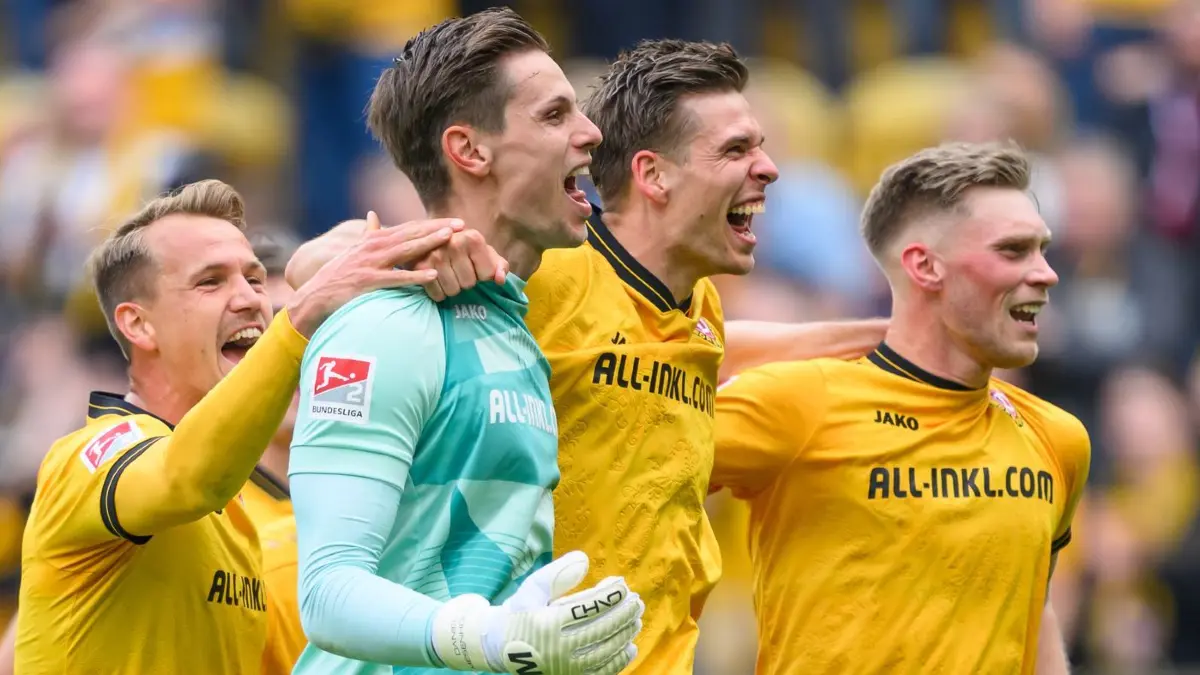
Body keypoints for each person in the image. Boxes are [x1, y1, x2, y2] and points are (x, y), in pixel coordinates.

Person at [287, 35, 889, 674]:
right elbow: (328, 266)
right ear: (653, 173)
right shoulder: (546, 273)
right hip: (510, 649)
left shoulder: (699, 311)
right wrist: (379, 253)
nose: (768, 169)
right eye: (737, 149)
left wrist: (900, 338)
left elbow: (706, 356)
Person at [12, 178, 500, 674]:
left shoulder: (241, 513)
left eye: (252, 278)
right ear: (138, 324)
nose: (250, 299)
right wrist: (305, 314)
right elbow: (187, 478)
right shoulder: (89, 456)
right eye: (210, 281)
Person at [286, 9, 644, 675]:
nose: (590, 132)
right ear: (470, 150)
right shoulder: (384, 326)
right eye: (554, 114)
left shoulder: (512, 325)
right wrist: (489, 635)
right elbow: (327, 593)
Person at [712, 141, 1090, 674]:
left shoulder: (1057, 437)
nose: (1046, 273)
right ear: (925, 266)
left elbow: (1035, 608)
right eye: (1014, 251)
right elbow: (633, 449)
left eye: (1043, 249)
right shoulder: (800, 403)